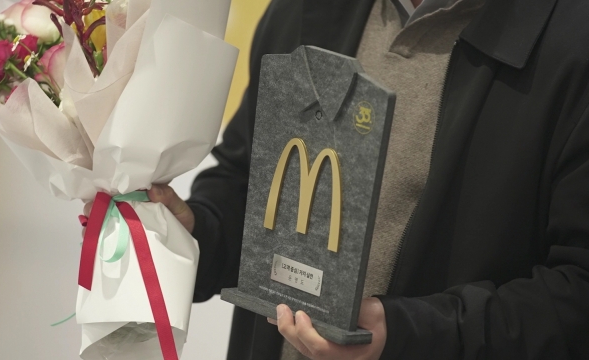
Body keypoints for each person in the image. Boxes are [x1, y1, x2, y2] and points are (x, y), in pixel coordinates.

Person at [86, 0, 589, 358]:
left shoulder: (570, 41)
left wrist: (405, 334)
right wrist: (193, 228)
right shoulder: (306, 10)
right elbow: (246, 182)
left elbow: (575, 294)